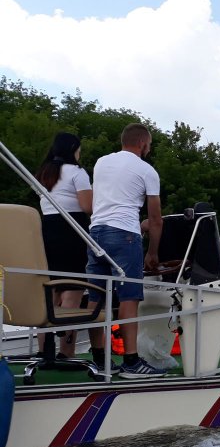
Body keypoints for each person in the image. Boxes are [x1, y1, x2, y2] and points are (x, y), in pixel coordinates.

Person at [85, 123, 165, 378]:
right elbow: (156, 219)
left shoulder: (101, 163)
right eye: (149, 146)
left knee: (97, 297)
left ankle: (99, 359)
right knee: (129, 297)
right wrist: (152, 253)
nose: (149, 151)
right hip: (125, 235)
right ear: (143, 144)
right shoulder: (146, 171)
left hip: (95, 233)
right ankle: (131, 362)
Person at [35, 132, 93, 358]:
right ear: (73, 149)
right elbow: (87, 206)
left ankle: (43, 349)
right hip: (72, 229)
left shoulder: (43, 173)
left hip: (48, 230)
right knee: (74, 287)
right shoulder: (77, 173)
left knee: (52, 288)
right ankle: (66, 352)